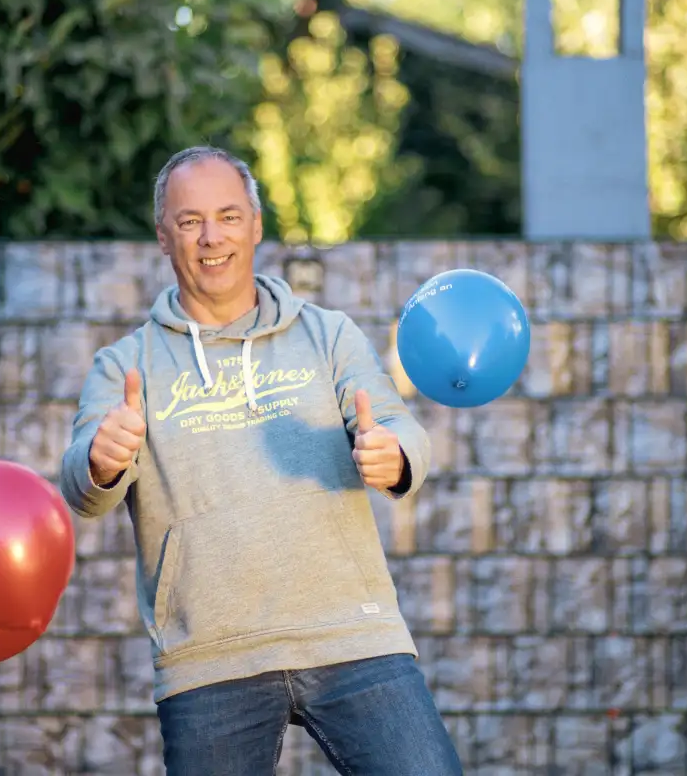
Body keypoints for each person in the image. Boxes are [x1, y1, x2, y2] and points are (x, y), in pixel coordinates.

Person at [59, 146, 463, 776]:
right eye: (190, 221)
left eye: (227, 215)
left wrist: (394, 455)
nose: (211, 237)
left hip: (351, 634)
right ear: (164, 236)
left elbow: (398, 426)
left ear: (256, 224)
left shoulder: (328, 334)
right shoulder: (123, 365)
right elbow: (83, 487)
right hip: (210, 657)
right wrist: (102, 459)